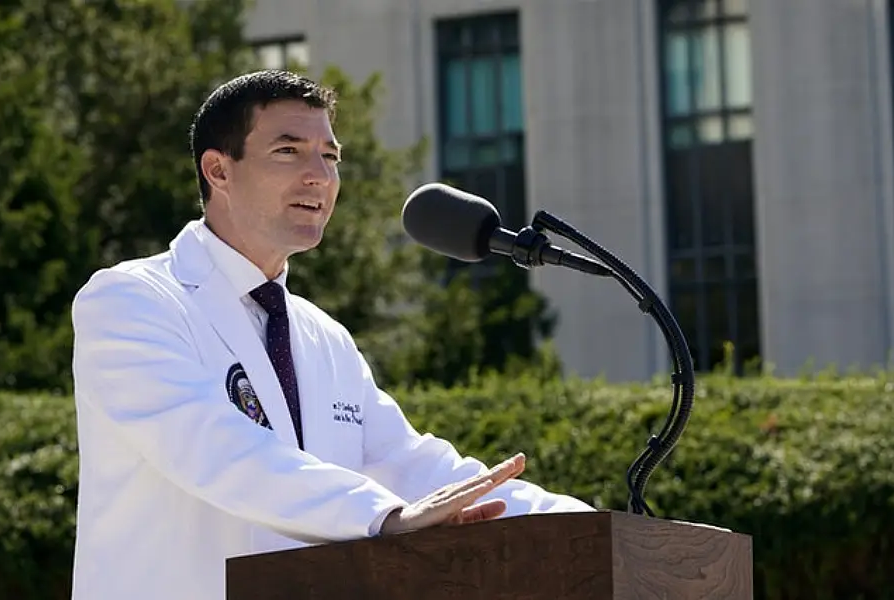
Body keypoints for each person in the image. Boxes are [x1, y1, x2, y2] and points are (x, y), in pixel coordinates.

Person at [70, 70, 594, 600]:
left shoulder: (326, 338)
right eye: (289, 151)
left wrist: (585, 526)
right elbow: (215, 449)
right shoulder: (130, 302)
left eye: (331, 156)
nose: (319, 175)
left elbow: (415, 466)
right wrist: (383, 514)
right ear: (218, 170)